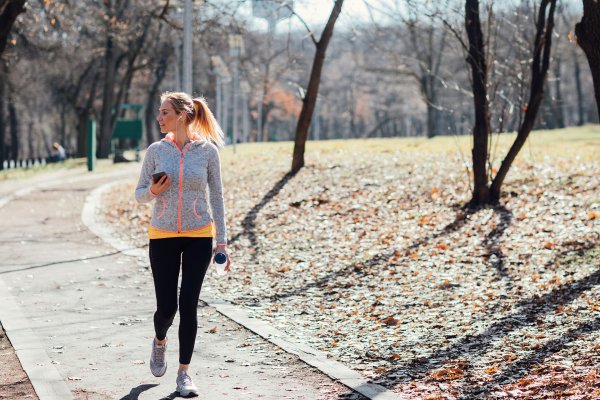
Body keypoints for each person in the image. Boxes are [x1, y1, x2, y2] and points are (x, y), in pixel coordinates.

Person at [135, 91, 230, 396]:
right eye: (159, 112)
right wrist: (152, 190)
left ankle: (184, 374)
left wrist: (222, 243)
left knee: (189, 304)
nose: (159, 117)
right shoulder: (155, 151)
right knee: (167, 308)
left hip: (199, 234)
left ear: (181, 115)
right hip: (162, 234)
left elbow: (216, 196)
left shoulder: (207, 152)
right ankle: (159, 341)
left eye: (164, 112)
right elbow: (138, 194)